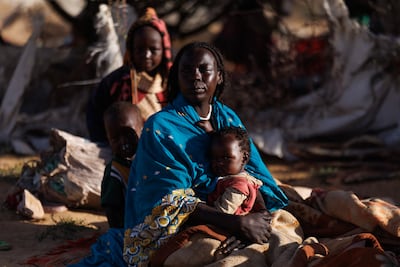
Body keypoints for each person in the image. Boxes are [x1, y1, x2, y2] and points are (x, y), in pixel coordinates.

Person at [123, 41, 288, 266]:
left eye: (204, 69)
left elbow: (254, 173)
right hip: (182, 225)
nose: (196, 76)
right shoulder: (161, 127)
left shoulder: (227, 117)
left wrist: (255, 219)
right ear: (176, 78)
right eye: (187, 71)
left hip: (238, 210)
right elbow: (167, 200)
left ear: (219, 76)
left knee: (286, 234)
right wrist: (235, 225)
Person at [86, 7, 172, 144]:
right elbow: (94, 113)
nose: (146, 55)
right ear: (131, 50)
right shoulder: (116, 82)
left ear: (164, 49)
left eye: (153, 49)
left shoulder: (173, 82)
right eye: (140, 49)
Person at [101, 101, 143, 228]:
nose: (123, 142)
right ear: (108, 139)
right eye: (115, 138)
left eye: (129, 134)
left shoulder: (150, 159)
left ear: (141, 128)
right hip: (130, 227)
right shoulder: (115, 171)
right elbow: (111, 208)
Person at [207, 126, 267, 215]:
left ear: (244, 158)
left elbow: (223, 212)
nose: (219, 163)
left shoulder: (238, 186)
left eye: (226, 157)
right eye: (214, 158)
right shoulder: (235, 178)